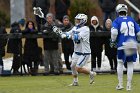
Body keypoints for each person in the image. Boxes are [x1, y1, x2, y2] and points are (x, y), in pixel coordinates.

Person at [110, 4, 140, 91]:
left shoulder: (116, 20)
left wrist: (112, 40)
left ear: (118, 11)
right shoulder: (132, 19)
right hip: (132, 44)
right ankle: (129, 86)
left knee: (120, 63)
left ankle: (120, 84)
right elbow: (139, 34)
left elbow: (114, 33)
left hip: (122, 44)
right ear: (126, 11)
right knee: (130, 64)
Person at [61, 14, 96, 86]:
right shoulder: (75, 28)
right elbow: (69, 33)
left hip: (84, 52)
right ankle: (75, 82)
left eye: (78, 20)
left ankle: (91, 73)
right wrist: (61, 32)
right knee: (72, 67)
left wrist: (68, 36)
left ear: (83, 21)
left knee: (78, 68)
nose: (77, 21)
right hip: (77, 52)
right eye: (76, 19)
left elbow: (77, 37)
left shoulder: (86, 29)